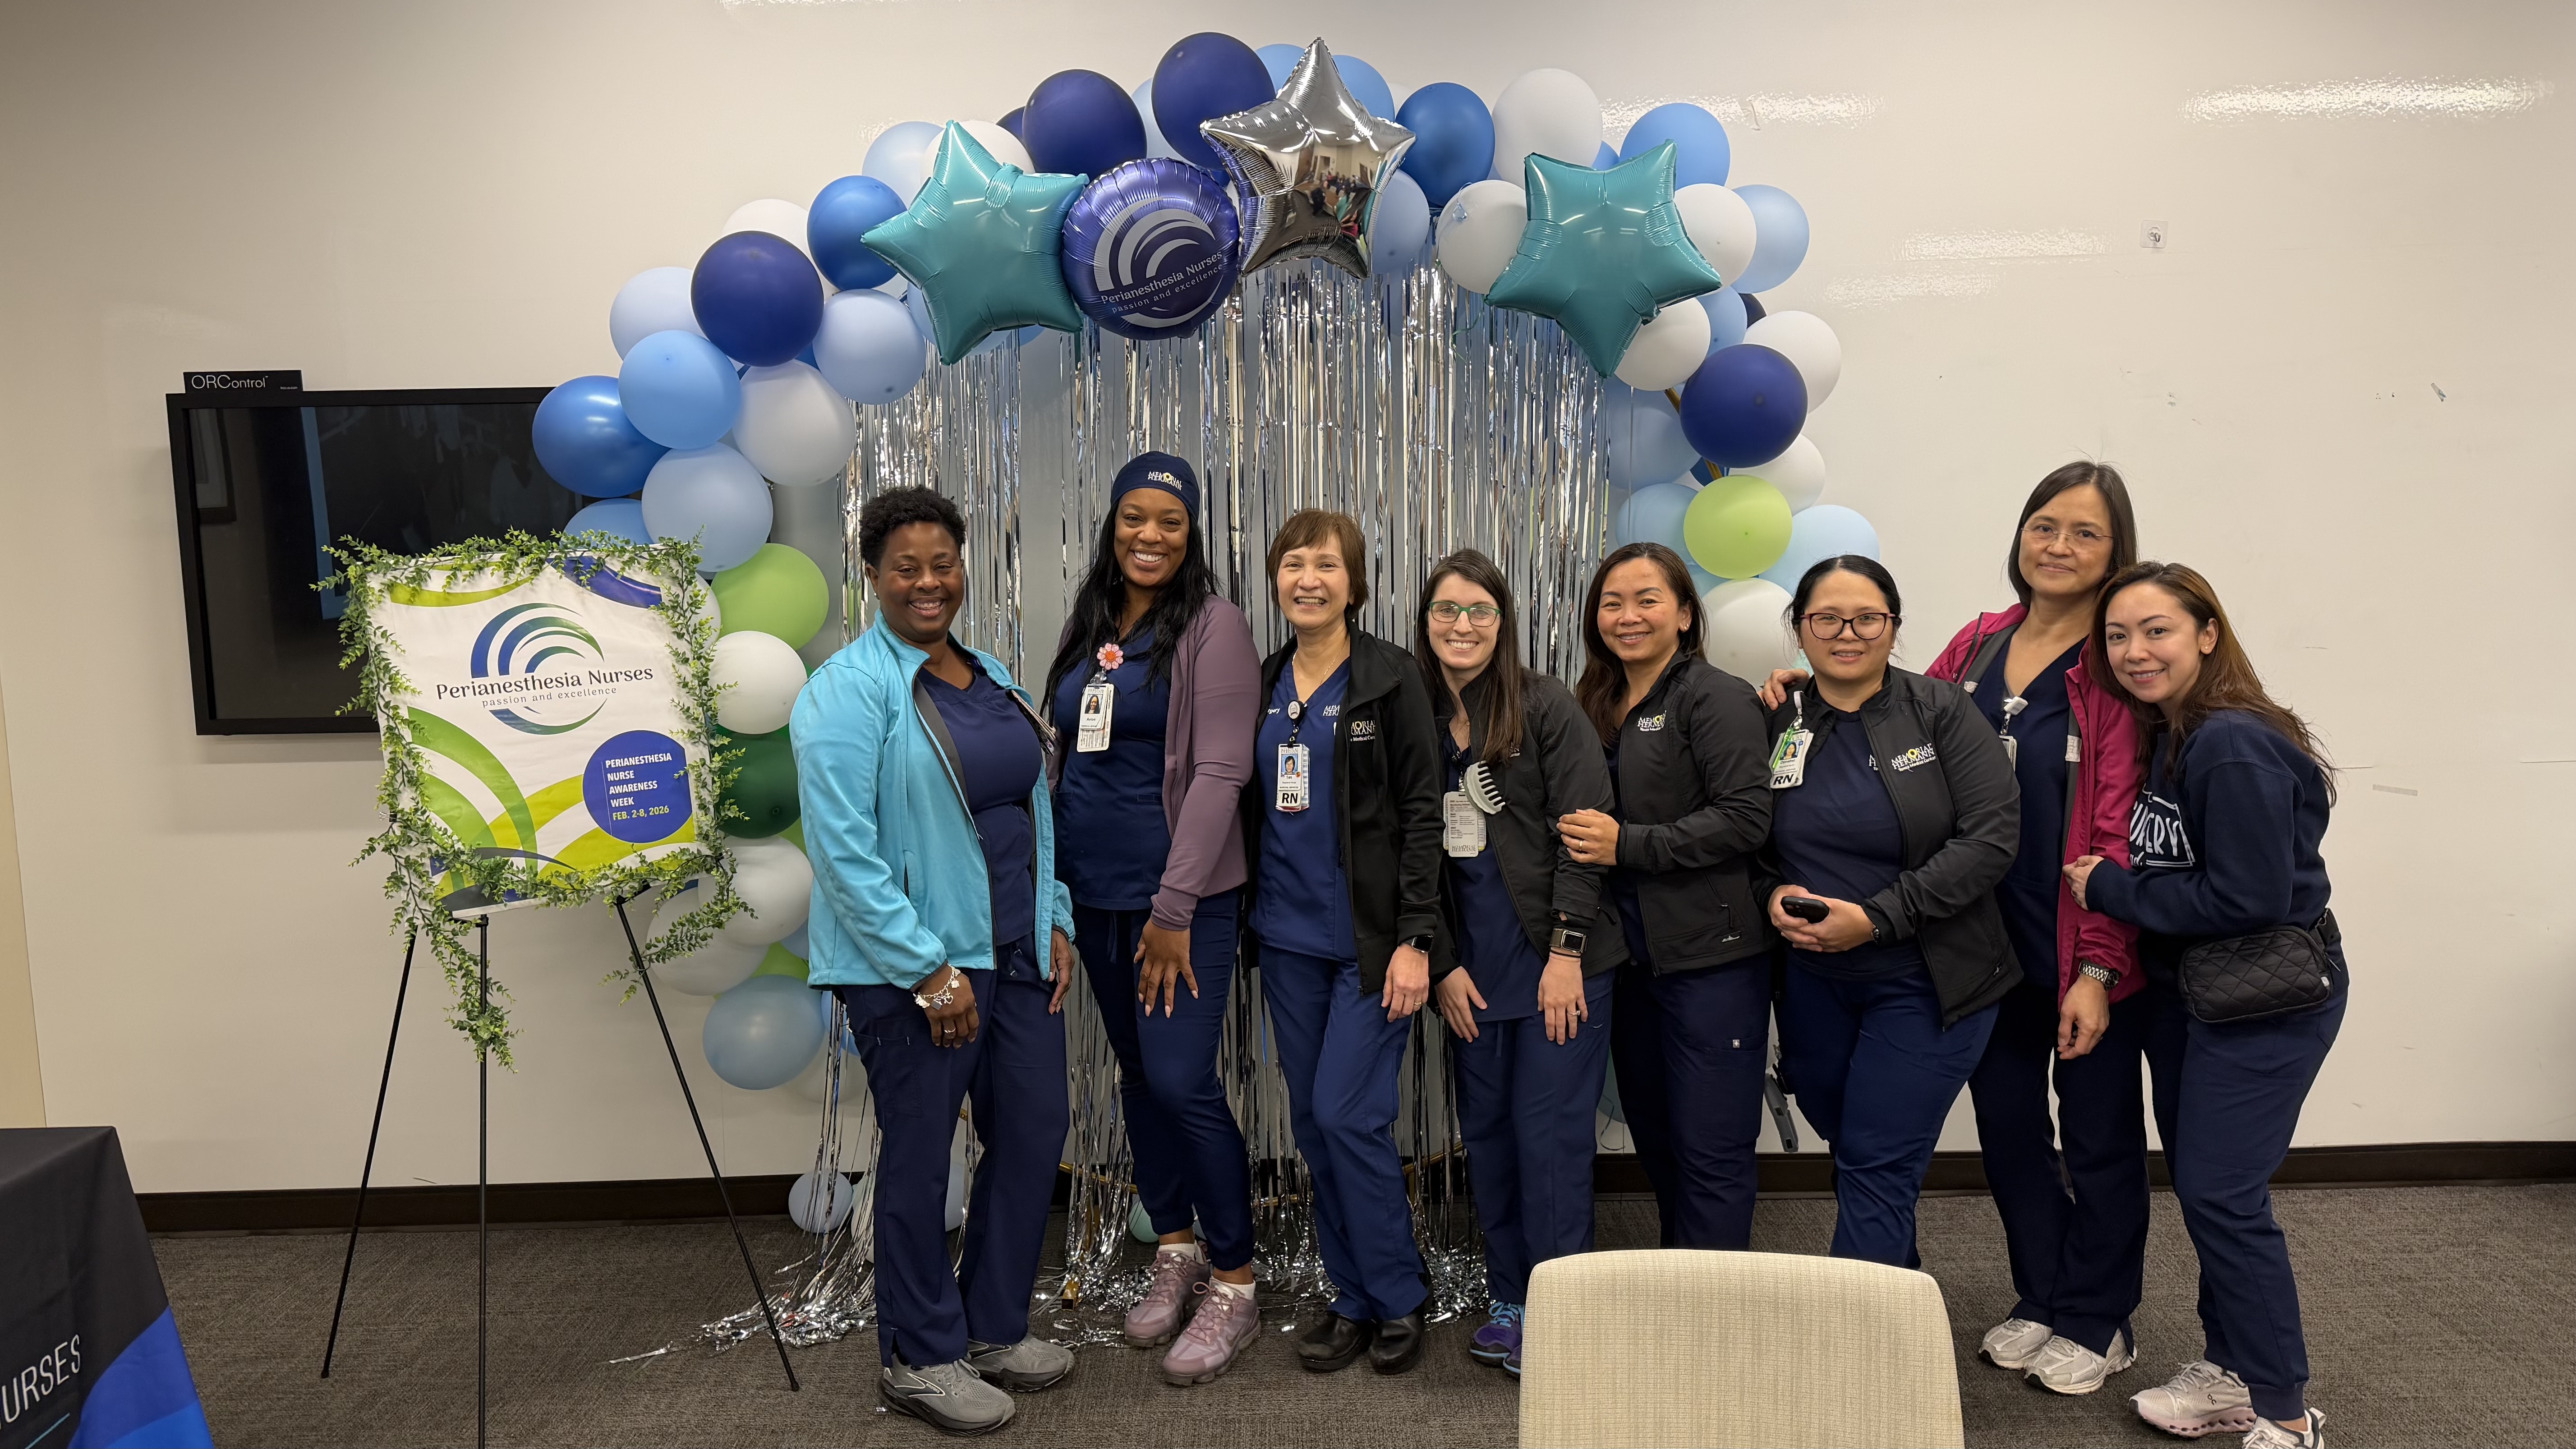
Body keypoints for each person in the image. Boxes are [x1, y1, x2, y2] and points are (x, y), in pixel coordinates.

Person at [1761, 461, 2151, 1391]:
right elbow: (1886, 716)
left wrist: (2099, 965)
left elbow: (2116, 820)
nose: (2058, 546)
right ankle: (2042, 1293)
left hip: (2075, 938)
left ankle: (2097, 1316)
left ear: (2115, 551)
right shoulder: (1979, 644)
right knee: (2011, 1129)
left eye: (2084, 532)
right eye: (2044, 525)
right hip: (1971, 942)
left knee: (2097, 1137)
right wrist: (1805, 689)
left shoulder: (2117, 663)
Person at [792, 487, 1079, 1435]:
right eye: (905, 567)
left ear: (963, 568)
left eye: (942, 564)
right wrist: (926, 969)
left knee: (1033, 1131)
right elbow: (843, 852)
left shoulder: (988, 672)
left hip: (1014, 950)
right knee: (919, 1157)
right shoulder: (847, 689)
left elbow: (1033, 809)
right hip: (913, 967)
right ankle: (919, 1353)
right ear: (872, 576)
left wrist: (1054, 917)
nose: (928, 582)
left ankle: (992, 1326)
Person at [2065, 563, 2346, 1449]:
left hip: (2264, 997)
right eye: (2118, 635)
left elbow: (2249, 899)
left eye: (2157, 630)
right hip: (2198, 994)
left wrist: (2113, 888)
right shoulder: (2173, 729)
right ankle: (2232, 1369)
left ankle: (2286, 1413)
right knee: (2208, 1186)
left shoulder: (2229, 742)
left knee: (2223, 1194)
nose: (2135, 651)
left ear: (2207, 633)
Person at [1040, 453, 1263, 1386]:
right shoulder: (1093, 619)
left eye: (1170, 520)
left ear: (1192, 532)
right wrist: (1051, 895)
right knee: (1138, 1074)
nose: (1150, 534)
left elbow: (1222, 772)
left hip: (1181, 903)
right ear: (1113, 523)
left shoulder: (1214, 626)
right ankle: (1175, 1245)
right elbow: (1061, 753)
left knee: (1181, 1079)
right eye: (1135, 516)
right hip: (1093, 894)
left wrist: (1173, 908)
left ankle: (1236, 1280)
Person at [1755, 556, 2020, 1269]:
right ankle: (1899, 1299)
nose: (1848, 633)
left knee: (1875, 1158)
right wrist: (1769, 893)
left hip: (1928, 978)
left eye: (1867, 618)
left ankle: (1854, 1331)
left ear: (1894, 627)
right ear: (1799, 629)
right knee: (1852, 1141)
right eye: (1827, 619)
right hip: (1816, 983)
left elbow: (1992, 839)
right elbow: (1744, 836)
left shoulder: (1941, 711)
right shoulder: (1778, 717)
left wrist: (1876, 918)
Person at [1239, 509, 1444, 1375]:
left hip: (1373, 944)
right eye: (1294, 563)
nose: (1309, 578)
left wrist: (1417, 939)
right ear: (1276, 580)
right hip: (1286, 938)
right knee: (1315, 1126)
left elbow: (1425, 814)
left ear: (1355, 584)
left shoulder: (1392, 678)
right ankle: (1352, 1293)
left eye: (1327, 564)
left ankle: (1397, 1292)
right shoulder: (1264, 677)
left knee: (1346, 1112)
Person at [1414, 550, 1624, 1377]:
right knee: (1493, 1140)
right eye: (1446, 610)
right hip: (1471, 975)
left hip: (1556, 967)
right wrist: (1441, 963)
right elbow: (1408, 857)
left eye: (1480, 610)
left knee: (1551, 1141)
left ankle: (1561, 1306)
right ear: (1424, 621)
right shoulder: (1416, 714)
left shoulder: (1544, 706)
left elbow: (1585, 835)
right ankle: (1512, 1296)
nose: (1462, 625)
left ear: (1504, 623)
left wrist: (1567, 951)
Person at [1557, 542, 1773, 1251]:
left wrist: (1629, 844)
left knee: (1712, 1152)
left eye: (1647, 599)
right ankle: (1684, 1285)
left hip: (1712, 964)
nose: (1628, 615)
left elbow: (1747, 818)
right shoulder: (1596, 702)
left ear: (1684, 614)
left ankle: (1716, 1308)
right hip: (1632, 965)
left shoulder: (1716, 697)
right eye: (1612, 602)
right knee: (1660, 1142)